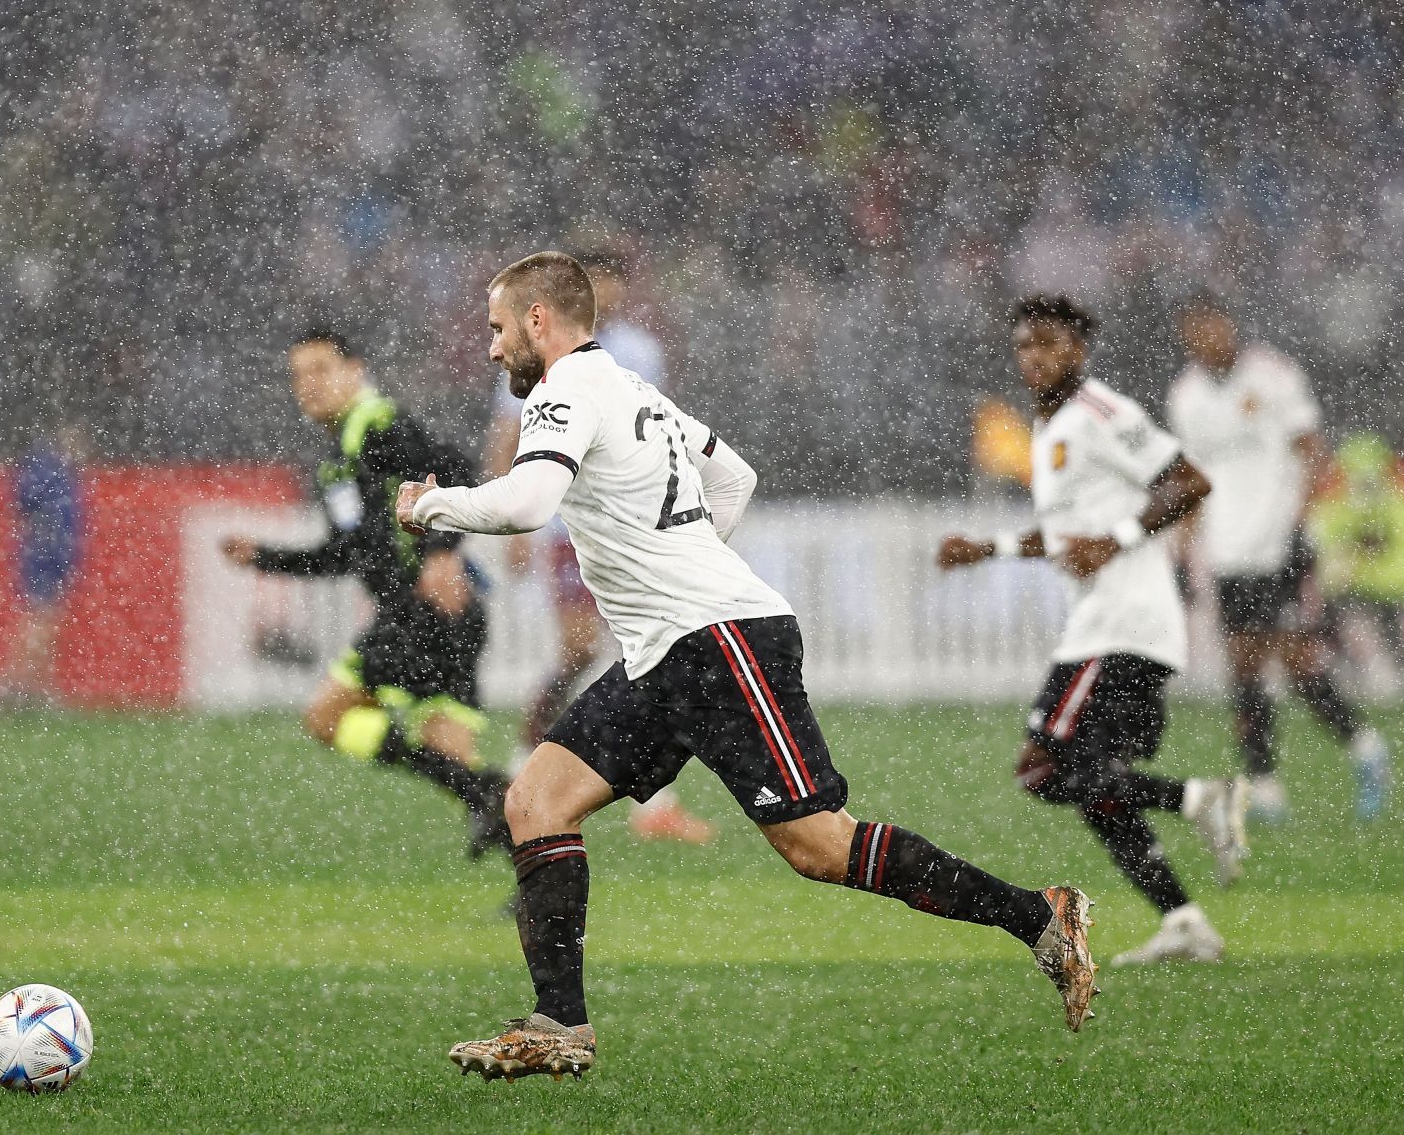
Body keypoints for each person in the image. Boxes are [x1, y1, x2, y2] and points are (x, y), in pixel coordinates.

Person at [403, 254, 1098, 1083]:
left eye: (496, 328)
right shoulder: (632, 390)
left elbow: (525, 505)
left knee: (817, 847)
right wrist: (688, 565)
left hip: (716, 637)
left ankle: (1041, 916)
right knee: (536, 801)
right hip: (675, 646)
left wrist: (429, 506)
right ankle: (561, 1024)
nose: (490, 350)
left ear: (539, 321)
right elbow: (734, 476)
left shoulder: (563, 392)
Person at [939, 294, 1241, 968]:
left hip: (1125, 622)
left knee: (1042, 767)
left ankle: (1200, 798)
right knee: (1092, 783)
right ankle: (1185, 920)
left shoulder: (1103, 413)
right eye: (1025, 345)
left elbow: (1190, 481)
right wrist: (986, 548)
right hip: (1106, 624)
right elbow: (1065, 535)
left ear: (1080, 349)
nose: (1036, 357)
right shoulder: (1049, 430)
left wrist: (1119, 539)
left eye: (1049, 343)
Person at [222, 326, 510, 860]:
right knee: (454, 759)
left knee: (326, 718)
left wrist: (441, 551)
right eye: (297, 376)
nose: (307, 386)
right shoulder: (340, 458)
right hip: (448, 619)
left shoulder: (377, 426)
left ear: (355, 372)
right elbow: (344, 554)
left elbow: (455, 468)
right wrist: (264, 557)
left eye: (320, 371)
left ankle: (489, 794)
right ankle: (539, 877)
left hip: (419, 615)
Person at [482, 244, 715, 844]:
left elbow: (657, 430)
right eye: (598, 281)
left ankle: (646, 798)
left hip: (635, 526)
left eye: (615, 280)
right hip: (570, 528)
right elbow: (508, 431)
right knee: (586, 650)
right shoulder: (536, 349)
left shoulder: (639, 352)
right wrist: (512, 517)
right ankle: (527, 764)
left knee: (648, 651)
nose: (608, 292)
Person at [1167, 292, 1389, 822]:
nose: (1204, 338)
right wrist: (1181, 551)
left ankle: (1365, 748)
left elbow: (1314, 453)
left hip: (1278, 542)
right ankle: (1265, 785)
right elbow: (1191, 481)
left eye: (1211, 325)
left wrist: (1301, 525)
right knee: (1243, 665)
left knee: (1294, 661)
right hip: (1227, 551)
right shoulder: (1186, 396)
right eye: (1193, 330)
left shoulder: (1272, 375)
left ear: (1229, 322)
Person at [1312, 434, 1404, 678]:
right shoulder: (1342, 496)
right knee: (1338, 622)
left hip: (1381, 580)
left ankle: (1348, 669)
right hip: (1370, 579)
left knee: (1384, 629)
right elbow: (1327, 529)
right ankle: (1346, 669)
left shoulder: (1341, 493)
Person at [8, 421, 86, 703]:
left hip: (51, 557)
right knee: (41, 622)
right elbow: (29, 508)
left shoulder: (61, 475)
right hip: (45, 557)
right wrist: (51, 550)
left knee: (45, 623)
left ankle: (34, 686)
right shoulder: (49, 473)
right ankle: (22, 685)